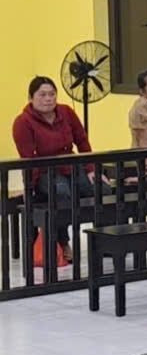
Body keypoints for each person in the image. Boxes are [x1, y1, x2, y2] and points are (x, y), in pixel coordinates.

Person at [11, 75, 100, 267]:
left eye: (52, 94)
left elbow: (82, 140)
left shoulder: (66, 112)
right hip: (45, 172)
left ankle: (105, 240)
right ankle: (63, 242)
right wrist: (29, 187)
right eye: (42, 95)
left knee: (101, 189)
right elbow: (28, 158)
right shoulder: (23, 122)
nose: (48, 99)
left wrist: (91, 169)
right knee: (61, 193)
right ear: (31, 98)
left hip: (72, 166)